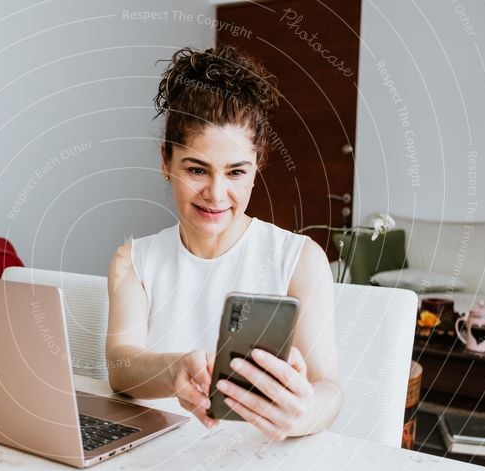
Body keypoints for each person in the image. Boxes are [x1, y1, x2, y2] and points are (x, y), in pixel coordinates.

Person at [105, 45, 342, 441]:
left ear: (256, 166)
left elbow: (329, 388)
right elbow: (120, 366)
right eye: (197, 169)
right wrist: (176, 370)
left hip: (255, 464)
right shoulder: (134, 261)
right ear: (166, 161)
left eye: (235, 172)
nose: (216, 194)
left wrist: (304, 413)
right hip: (155, 460)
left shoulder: (299, 259)